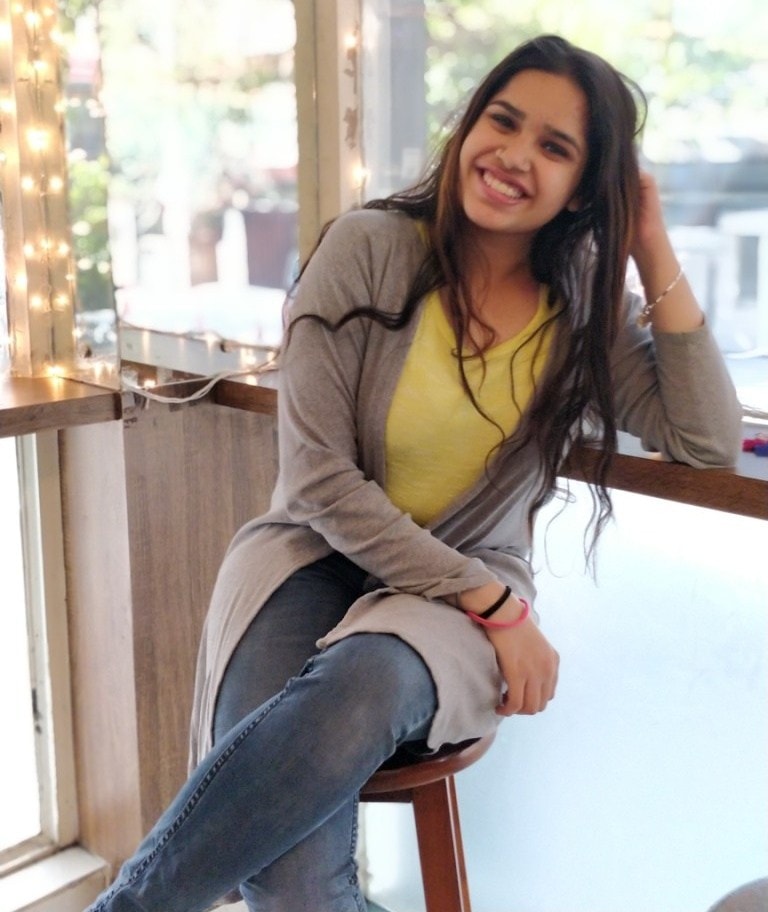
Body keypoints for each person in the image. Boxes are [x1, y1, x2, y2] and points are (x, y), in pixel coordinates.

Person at [85, 34, 742, 912]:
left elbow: (707, 438)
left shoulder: (584, 312)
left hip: (458, 596)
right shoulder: (365, 247)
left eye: (554, 147)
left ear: (586, 189)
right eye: (502, 121)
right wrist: (497, 607)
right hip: (313, 557)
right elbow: (317, 481)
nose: (513, 155)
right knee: (293, 884)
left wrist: (650, 243)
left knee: (366, 684)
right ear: (469, 126)